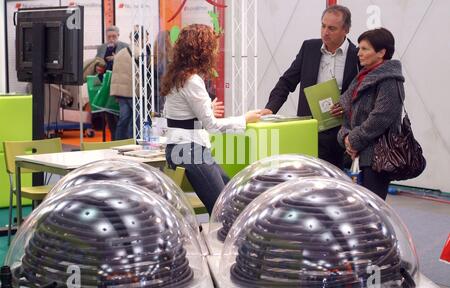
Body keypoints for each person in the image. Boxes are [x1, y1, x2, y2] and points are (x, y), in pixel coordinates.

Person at [161, 24, 262, 214]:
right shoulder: (192, 80)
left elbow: (179, 116)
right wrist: (245, 119)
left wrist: (207, 109)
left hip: (183, 149)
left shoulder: (178, 77)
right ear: (203, 50)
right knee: (223, 208)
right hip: (190, 151)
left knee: (230, 196)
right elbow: (212, 126)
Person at [261, 5, 360, 169]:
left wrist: (347, 106)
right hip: (309, 130)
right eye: (323, 26)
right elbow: (286, 82)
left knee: (333, 184)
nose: (325, 32)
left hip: (340, 134)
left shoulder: (357, 57)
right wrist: (270, 109)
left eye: (332, 28)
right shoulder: (309, 49)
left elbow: (364, 96)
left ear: (346, 30)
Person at [337, 28, 404, 200]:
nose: (359, 53)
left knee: (371, 212)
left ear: (381, 52)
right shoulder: (362, 77)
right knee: (357, 210)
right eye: (359, 48)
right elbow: (348, 111)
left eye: (365, 49)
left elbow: (381, 117)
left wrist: (353, 140)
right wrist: (346, 137)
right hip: (357, 155)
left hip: (376, 159)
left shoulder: (389, 80)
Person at [110, 26, 151, 140]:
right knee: (136, 120)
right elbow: (145, 72)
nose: (146, 42)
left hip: (120, 92)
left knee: (124, 119)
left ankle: (118, 142)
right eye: (146, 39)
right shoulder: (139, 53)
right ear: (141, 38)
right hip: (134, 92)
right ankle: (133, 142)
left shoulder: (120, 52)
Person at [96, 26, 129, 140]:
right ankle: (113, 139)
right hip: (105, 86)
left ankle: (121, 139)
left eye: (114, 36)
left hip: (120, 87)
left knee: (121, 116)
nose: (111, 39)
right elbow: (97, 63)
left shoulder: (125, 47)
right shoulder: (101, 48)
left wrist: (117, 59)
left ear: (118, 36)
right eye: (109, 37)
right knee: (109, 116)